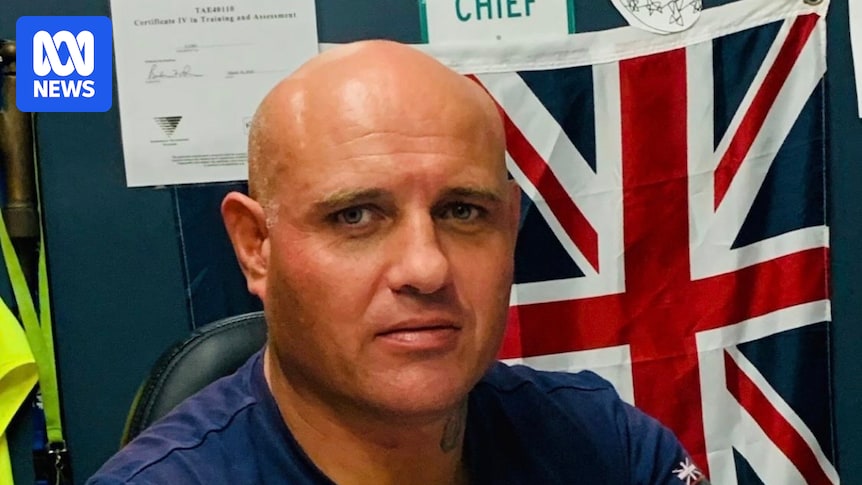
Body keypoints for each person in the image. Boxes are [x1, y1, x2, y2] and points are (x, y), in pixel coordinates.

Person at [88, 40, 707, 484]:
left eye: (463, 211)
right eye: (355, 216)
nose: (426, 268)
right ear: (257, 247)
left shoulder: (606, 446)